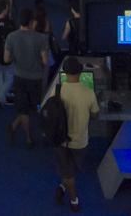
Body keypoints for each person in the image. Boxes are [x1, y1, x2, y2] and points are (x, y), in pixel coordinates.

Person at [54, 57, 98, 213]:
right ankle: (74, 200)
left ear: (64, 72)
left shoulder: (57, 91)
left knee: (67, 170)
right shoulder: (89, 93)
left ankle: (62, 186)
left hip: (60, 139)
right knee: (70, 171)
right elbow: (95, 115)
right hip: (80, 141)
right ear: (80, 72)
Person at [4, 8, 49, 148]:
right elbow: (45, 61)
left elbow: (6, 59)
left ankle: (25, 136)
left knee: (23, 109)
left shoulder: (11, 37)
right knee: (33, 107)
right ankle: (22, 133)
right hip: (36, 79)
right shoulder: (41, 38)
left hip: (19, 77)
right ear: (32, 22)